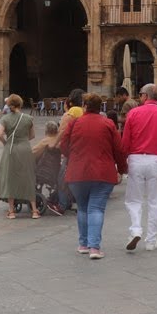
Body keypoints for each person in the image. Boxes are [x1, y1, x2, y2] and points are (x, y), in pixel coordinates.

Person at [61, 95, 127, 259]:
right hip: (102, 172)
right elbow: (118, 149)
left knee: (82, 208)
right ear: (101, 107)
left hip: (77, 172)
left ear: (84, 106)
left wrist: (74, 156)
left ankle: (83, 244)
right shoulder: (108, 124)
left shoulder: (74, 123)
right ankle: (94, 248)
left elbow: (63, 145)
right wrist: (122, 168)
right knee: (96, 208)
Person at [120, 83, 157, 252]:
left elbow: (125, 141)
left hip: (136, 159)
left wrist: (123, 160)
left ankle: (135, 230)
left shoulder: (133, 113)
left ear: (145, 96)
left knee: (134, 199)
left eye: (140, 94)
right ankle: (151, 240)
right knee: (156, 201)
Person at [0, 94, 38, 219]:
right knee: (28, 177)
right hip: (25, 148)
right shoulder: (28, 118)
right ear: (21, 104)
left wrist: (6, 143)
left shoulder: (5, 118)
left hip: (11, 149)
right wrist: (23, 140)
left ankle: (11, 211)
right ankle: (34, 211)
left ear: (9, 105)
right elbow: (32, 136)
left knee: (10, 178)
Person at [54, 90, 86, 211]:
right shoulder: (84, 111)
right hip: (82, 149)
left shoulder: (72, 112)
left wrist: (54, 143)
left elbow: (63, 131)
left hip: (71, 149)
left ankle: (62, 204)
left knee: (62, 177)